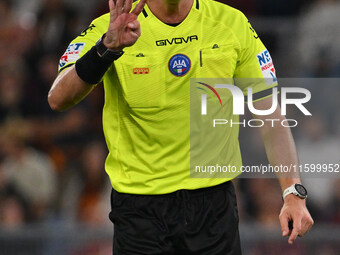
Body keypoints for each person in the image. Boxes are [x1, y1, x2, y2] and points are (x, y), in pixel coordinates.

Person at [48, 0, 314, 254]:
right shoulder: (110, 27)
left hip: (213, 208)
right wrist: (106, 48)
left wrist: (292, 191)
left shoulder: (232, 24)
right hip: (140, 210)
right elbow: (58, 98)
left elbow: (270, 115)